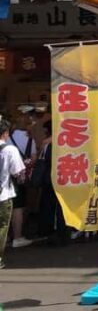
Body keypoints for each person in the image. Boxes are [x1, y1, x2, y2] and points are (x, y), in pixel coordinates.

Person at [0, 117, 27, 269]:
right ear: (5, 133)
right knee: (2, 226)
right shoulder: (10, 150)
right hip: (3, 194)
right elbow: (18, 172)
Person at [8, 112, 36, 249]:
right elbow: (34, 158)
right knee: (18, 207)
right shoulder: (30, 140)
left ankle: (7, 235)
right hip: (20, 178)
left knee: (7, 206)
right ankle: (17, 237)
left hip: (6, 177)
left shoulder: (8, 138)